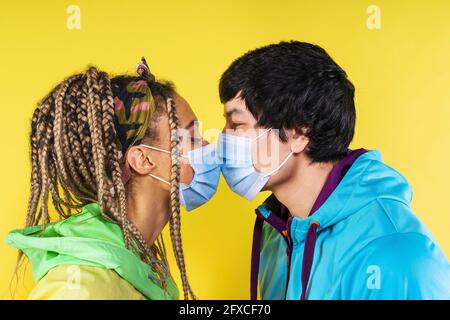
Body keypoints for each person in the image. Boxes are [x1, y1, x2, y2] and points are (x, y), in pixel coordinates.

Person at [217, 41, 450, 299]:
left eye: (236, 124)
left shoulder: (396, 257)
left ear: (297, 133)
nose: (223, 138)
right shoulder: (279, 235)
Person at [6, 58, 220, 300]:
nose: (207, 146)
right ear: (143, 160)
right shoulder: (79, 287)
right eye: (192, 138)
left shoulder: (142, 268)